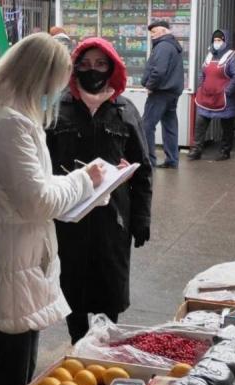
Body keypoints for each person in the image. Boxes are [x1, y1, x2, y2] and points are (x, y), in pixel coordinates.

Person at [0, 33, 106, 385]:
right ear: (37, 79)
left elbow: (30, 187)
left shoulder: (3, 117)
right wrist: (83, 181)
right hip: (11, 266)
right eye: (54, 84)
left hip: (12, 260)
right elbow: (39, 201)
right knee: (12, 379)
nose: (56, 94)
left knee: (14, 371)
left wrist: (83, 182)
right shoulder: (10, 125)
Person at [46, 38, 153, 344]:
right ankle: (78, 344)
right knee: (72, 286)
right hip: (68, 217)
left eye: (100, 64)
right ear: (75, 67)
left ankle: (105, 345)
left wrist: (141, 218)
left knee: (110, 286)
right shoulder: (57, 108)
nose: (92, 70)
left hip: (113, 219)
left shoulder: (125, 110)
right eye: (85, 64)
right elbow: (43, 164)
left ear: (112, 68)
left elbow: (143, 170)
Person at [190, 29, 235, 161]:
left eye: (219, 40)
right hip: (206, 96)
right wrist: (201, 86)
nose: (216, 42)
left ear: (225, 41)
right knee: (200, 123)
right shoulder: (209, 55)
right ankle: (196, 150)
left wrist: (228, 91)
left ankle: (225, 151)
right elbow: (202, 72)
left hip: (224, 98)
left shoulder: (232, 56)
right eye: (215, 40)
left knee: (226, 126)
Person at [141, 20, 185, 169]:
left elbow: (159, 71)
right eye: (151, 32)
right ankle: (172, 160)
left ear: (164, 31)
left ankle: (149, 160)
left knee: (147, 126)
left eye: (155, 32)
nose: (152, 35)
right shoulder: (172, 45)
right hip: (171, 92)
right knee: (170, 126)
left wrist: (150, 86)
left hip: (160, 92)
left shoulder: (163, 46)